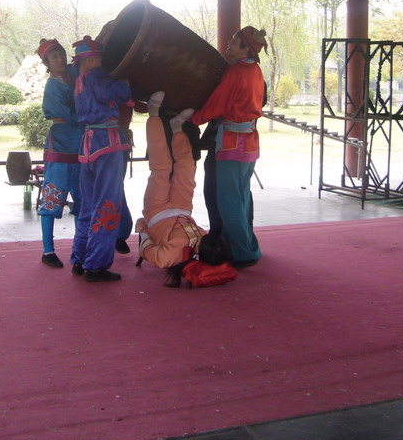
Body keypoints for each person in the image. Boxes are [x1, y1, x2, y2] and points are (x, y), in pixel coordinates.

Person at [190, 26, 268, 268]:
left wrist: (193, 118)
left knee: (228, 201)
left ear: (246, 48)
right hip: (249, 141)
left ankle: (243, 252)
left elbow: (217, 104)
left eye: (235, 42)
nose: (229, 44)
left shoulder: (236, 72)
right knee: (241, 197)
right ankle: (242, 246)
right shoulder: (255, 70)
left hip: (231, 141)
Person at [70, 35, 133, 282]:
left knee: (88, 204)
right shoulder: (97, 77)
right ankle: (96, 265)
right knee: (108, 204)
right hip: (107, 144)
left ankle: (79, 258)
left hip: (87, 147)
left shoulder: (79, 82)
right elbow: (119, 92)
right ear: (93, 59)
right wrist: (125, 83)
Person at [134, 91, 202, 269]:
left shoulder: (170, 257)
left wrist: (144, 232)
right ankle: (176, 127)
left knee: (162, 167)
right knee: (187, 166)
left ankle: (154, 114)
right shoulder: (207, 245)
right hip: (183, 208)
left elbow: (150, 253)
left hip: (157, 212)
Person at [34, 38, 82, 268]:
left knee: (85, 198)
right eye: (54, 57)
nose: (60, 59)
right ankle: (48, 250)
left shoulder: (75, 72)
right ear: (47, 62)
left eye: (61, 54)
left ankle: (83, 247)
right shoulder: (53, 87)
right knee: (53, 198)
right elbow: (73, 115)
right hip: (62, 145)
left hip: (82, 144)